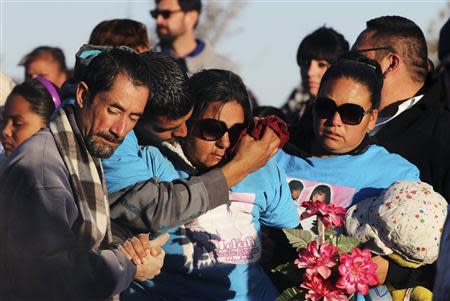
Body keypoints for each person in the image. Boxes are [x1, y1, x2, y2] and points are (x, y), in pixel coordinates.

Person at [0, 47, 279, 300]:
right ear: (84, 95)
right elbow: (49, 277)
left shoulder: (85, 148)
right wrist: (129, 265)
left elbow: (86, 237)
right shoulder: (43, 170)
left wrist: (129, 246)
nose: (120, 129)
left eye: (133, 118)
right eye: (114, 110)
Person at [117, 69, 299, 301]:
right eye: (212, 129)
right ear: (185, 124)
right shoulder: (153, 163)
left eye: (235, 132)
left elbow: (294, 244)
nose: (224, 142)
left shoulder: (263, 170)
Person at [269, 54, 422, 292]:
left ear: (372, 118)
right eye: (325, 108)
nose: (334, 121)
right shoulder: (272, 155)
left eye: (351, 113)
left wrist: (391, 271)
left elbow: (428, 255)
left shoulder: (396, 175)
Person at [352, 15, 450, 203]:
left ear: (391, 63)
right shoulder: (339, 116)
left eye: (358, 58)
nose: (349, 66)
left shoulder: (441, 137)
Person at [281, 26, 349, 127]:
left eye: (321, 65)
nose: (309, 72)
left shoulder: (350, 115)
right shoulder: (294, 111)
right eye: (305, 63)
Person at [151, 0, 238, 75]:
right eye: (155, 14)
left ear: (191, 17)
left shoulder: (226, 70)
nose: (159, 20)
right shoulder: (145, 66)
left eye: (166, 14)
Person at [1, 77, 61, 157]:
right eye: (3, 121)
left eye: (17, 123)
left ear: (49, 124)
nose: (5, 131)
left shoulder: (51, 168)